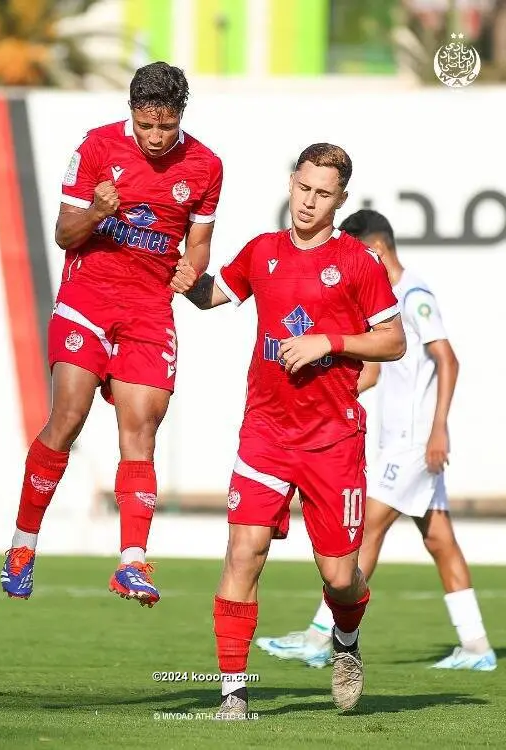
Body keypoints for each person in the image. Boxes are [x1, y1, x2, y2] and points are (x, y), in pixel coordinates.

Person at [181, 145, 406, 717]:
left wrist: (328, 341)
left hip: (333, 440)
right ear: (291, 183)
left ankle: (347, 641)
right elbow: (215, 295)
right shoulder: (263, 251)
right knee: (243, 551)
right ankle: (233, 695)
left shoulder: (359, 262)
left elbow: (394, 341)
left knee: (339, 577)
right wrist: (186, 280)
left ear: (341, 200)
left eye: (323, 194)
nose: (309, 202)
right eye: (303, 189)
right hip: (265, 432)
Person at [0, 62, 223, 606]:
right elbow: (63, 233)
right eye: (146, 126)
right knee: (69, 416)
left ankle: (131, 562)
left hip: (148, 313)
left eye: (165, 127)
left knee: (141, 427)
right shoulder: (98, 147)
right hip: (89, 300)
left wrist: (191, 269)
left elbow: (198, 245)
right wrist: (98, 212)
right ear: (132, 114)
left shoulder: (207, 165)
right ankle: (24, 543)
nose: (154, 137)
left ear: (180, 118)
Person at [256, 210, 496, 672]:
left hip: (414, 444)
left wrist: (438, 429)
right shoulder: (384, 301)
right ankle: (476, 645)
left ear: (378, 250)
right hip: (403, 441)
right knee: (440, 540)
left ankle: (318, 636)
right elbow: (378, 369)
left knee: (363, 529)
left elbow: (448, 360)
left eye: (358, 253)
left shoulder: (414, 296)